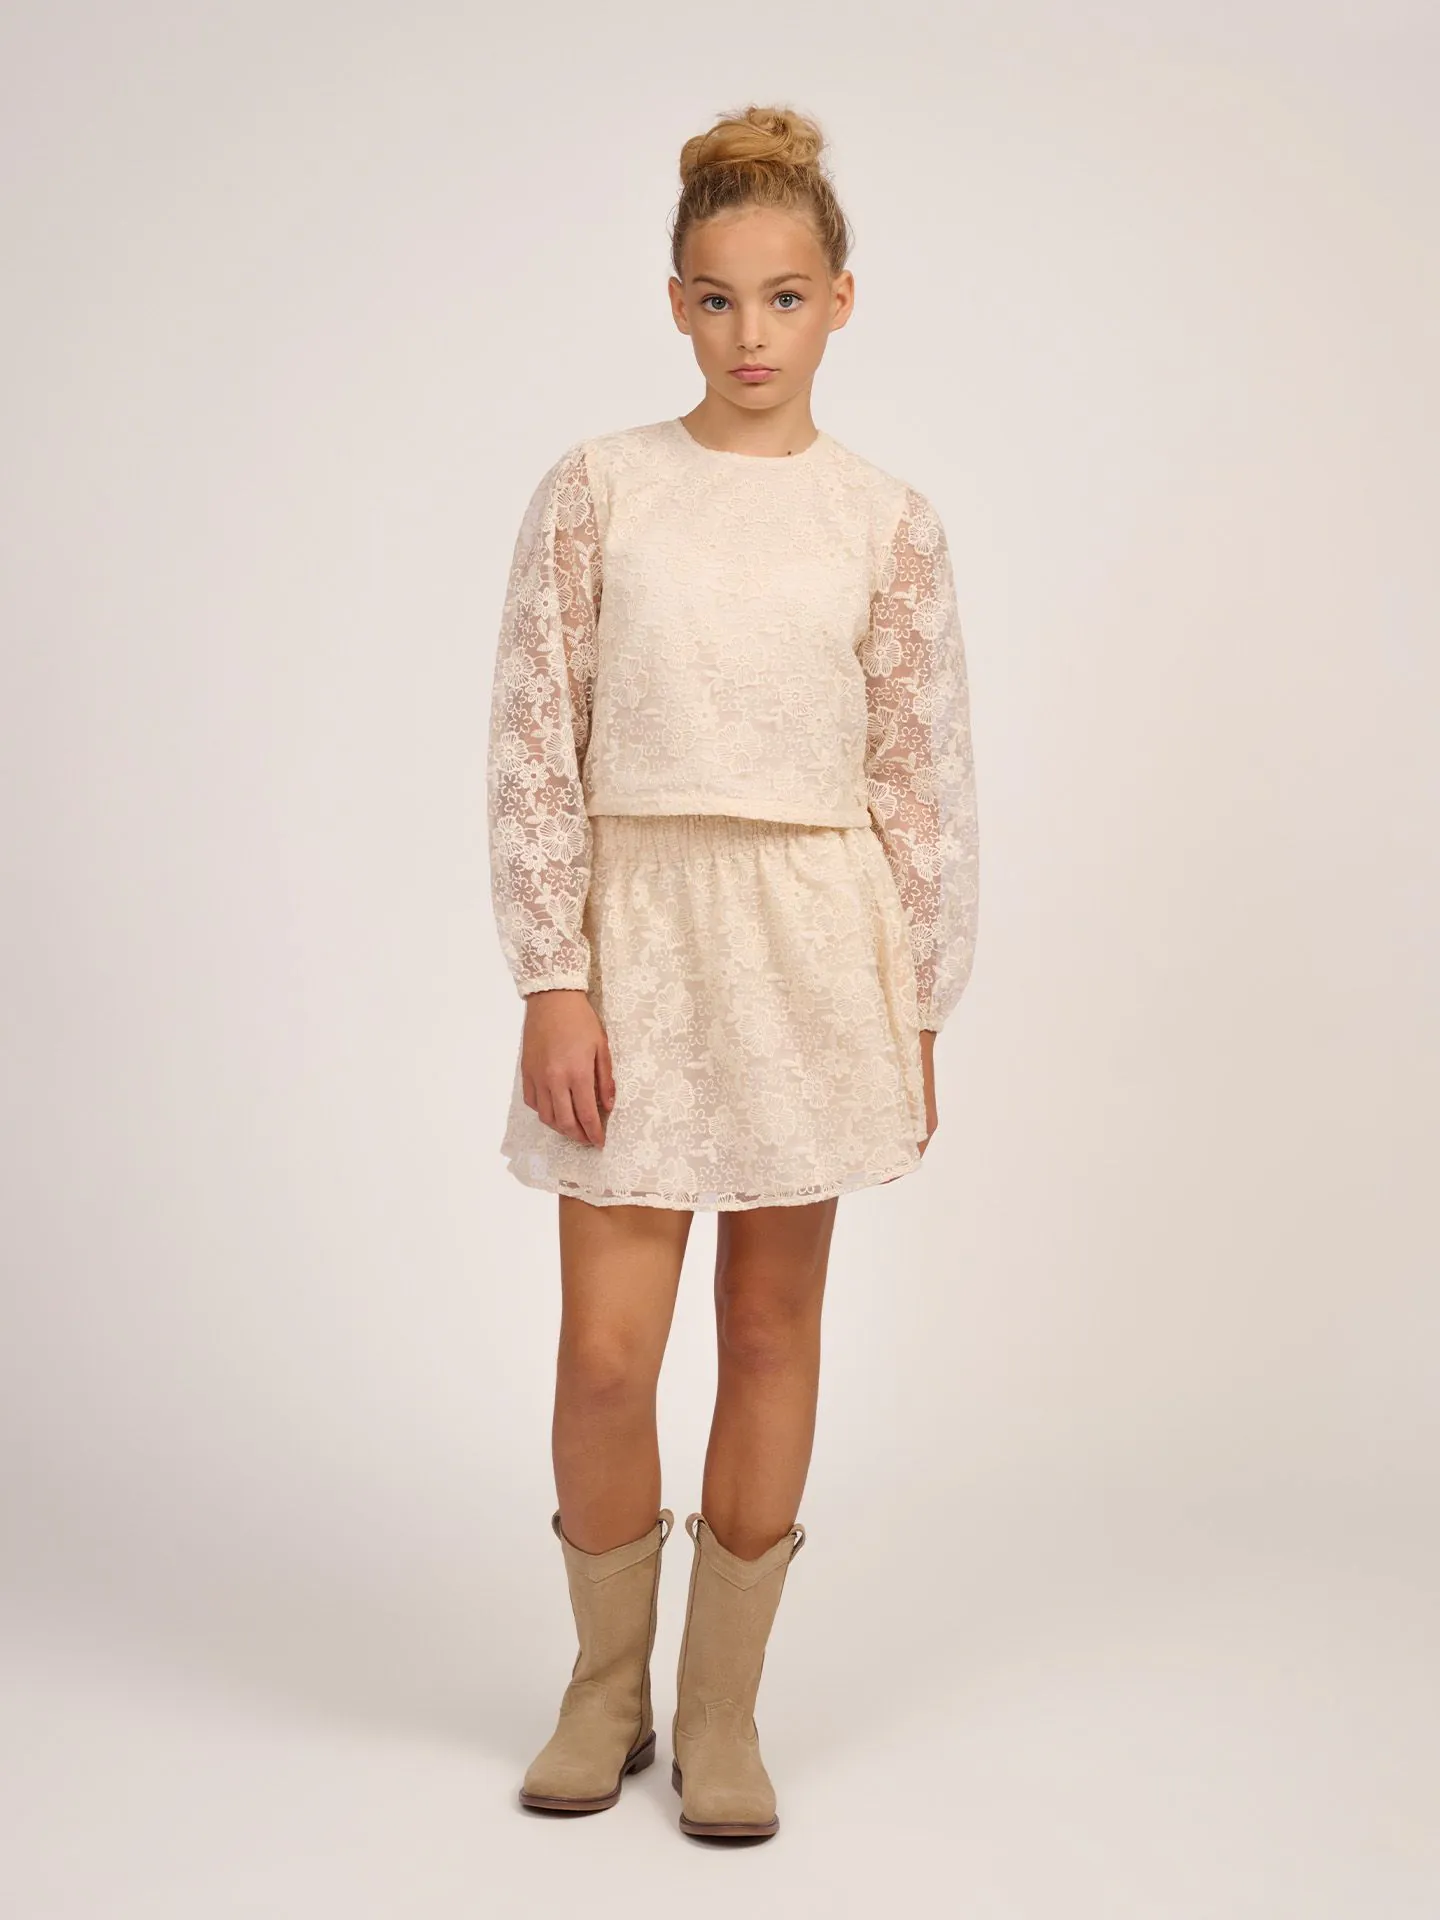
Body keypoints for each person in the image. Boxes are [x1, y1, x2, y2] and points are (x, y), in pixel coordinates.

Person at [485, 102, 979, 1841]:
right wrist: (554, 974)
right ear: (675, 303)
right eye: (716, 299)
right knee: (606, 1353)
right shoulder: (599, 491)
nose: (748, 333)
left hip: (812, 948)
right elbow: (535, 739)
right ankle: (602, 1688)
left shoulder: (887, 523)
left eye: (781, 298)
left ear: (841, 299)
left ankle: (720, 1711)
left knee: (769, 1330)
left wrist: (919, 1007)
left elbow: (921, 780)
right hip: (637, 937)